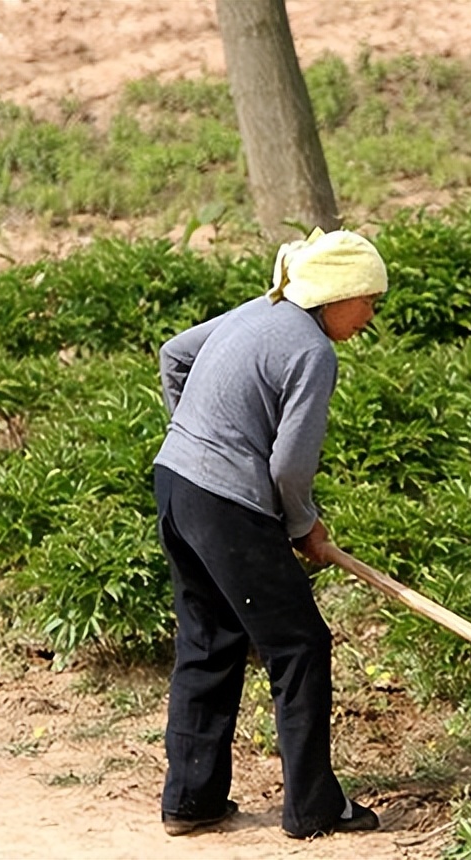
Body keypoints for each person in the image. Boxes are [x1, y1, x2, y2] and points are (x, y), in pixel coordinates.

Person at [152, 227, 386, 839]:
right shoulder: (313, 351)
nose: (370, 317)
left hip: (175, 482)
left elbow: (174, 353)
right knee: (300, 645)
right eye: (370, 301)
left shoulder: (263, 309)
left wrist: (198, 437)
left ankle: (191, 801)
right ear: (339, 295)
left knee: (210, 638)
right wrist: (304, 525)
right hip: (224, 504)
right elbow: (288, 466)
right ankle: (314, 807)